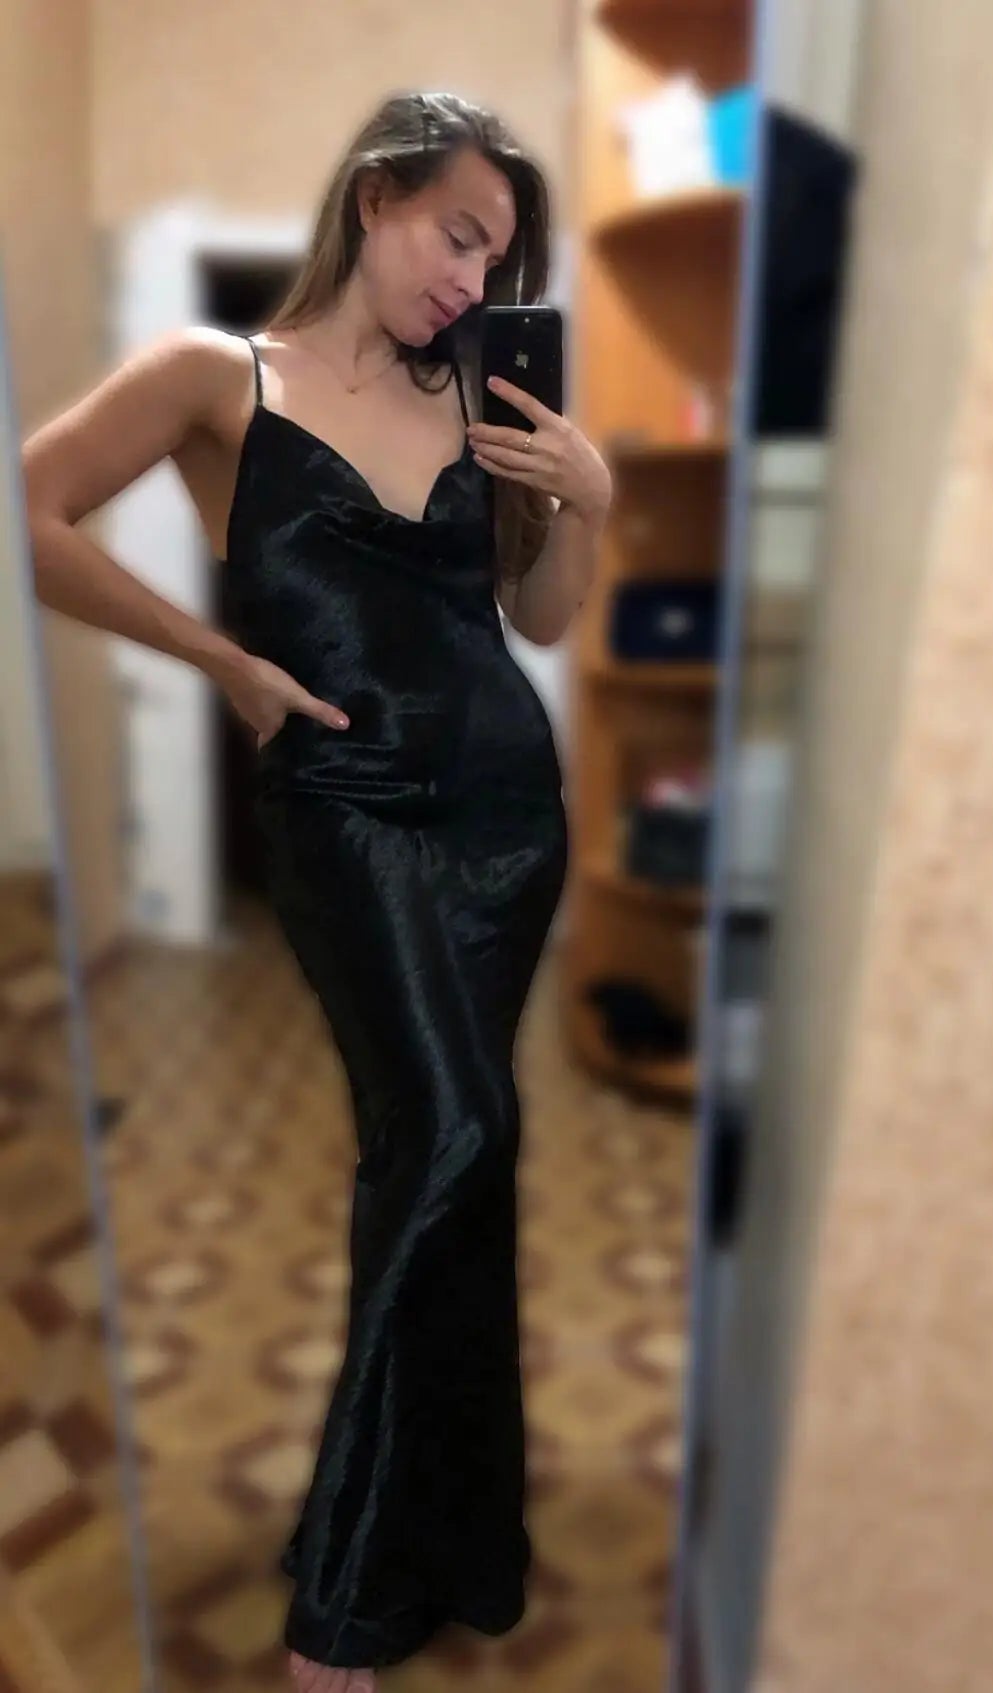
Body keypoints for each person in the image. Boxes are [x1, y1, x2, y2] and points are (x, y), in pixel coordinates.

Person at [21, 90, 612, 1692]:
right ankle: (348, 1597)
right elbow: (35, 508)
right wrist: (218, 660)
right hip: (342, 811)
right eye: (456, 234)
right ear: (375, 199)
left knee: (449, 1152)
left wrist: (588, 500)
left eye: (495, 260)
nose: (469, 280)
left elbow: (541, 620)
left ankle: (449, 1541)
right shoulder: (219, 375)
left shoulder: (481, 396)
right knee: (454, 1130)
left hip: (505, 815)